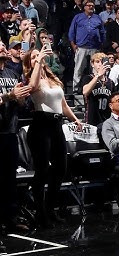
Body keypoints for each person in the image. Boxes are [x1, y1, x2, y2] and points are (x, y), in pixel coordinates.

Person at [23, 46, 83, 227]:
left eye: (38, 56)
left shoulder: (52, 79)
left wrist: (75, 120)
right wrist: (39, 61)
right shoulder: (29, 78)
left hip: (57, 124)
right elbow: (32, 87)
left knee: (60, 168)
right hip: (41, 124)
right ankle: (40, 213)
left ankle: (50, 209)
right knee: (42, 170)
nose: (37, 58)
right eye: (33, 57)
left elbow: (63, 105)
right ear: (29, 63)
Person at [0, 40, 31, 234]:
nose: (3, 47)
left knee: (9, 178)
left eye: (3, 45)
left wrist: (20, 97)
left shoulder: (12, 73)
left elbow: (20, 103)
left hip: (10, 131)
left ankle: (10, 218)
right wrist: (10, 95)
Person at [68, 0, 105, 92]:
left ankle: (95, 87)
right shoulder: (78, 17)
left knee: (95, 69)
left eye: (92, 5)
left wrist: (101, 45)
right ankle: (75, 89)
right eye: (89, 5)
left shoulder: (97, 18)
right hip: (81, 47)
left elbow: (102, 32)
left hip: (94, 48)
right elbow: (72, 32)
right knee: (79, 69)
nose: (91, 7)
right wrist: (73, 46)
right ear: (84, 7)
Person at [82, 51, 115, 126]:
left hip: (107, 120)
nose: (100, 64)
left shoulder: (111, 82)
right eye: (97, 62)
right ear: (92, 64)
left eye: (102, 61)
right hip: (92, 119)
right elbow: (85, 92)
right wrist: (98, 76)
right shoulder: (88, 78)